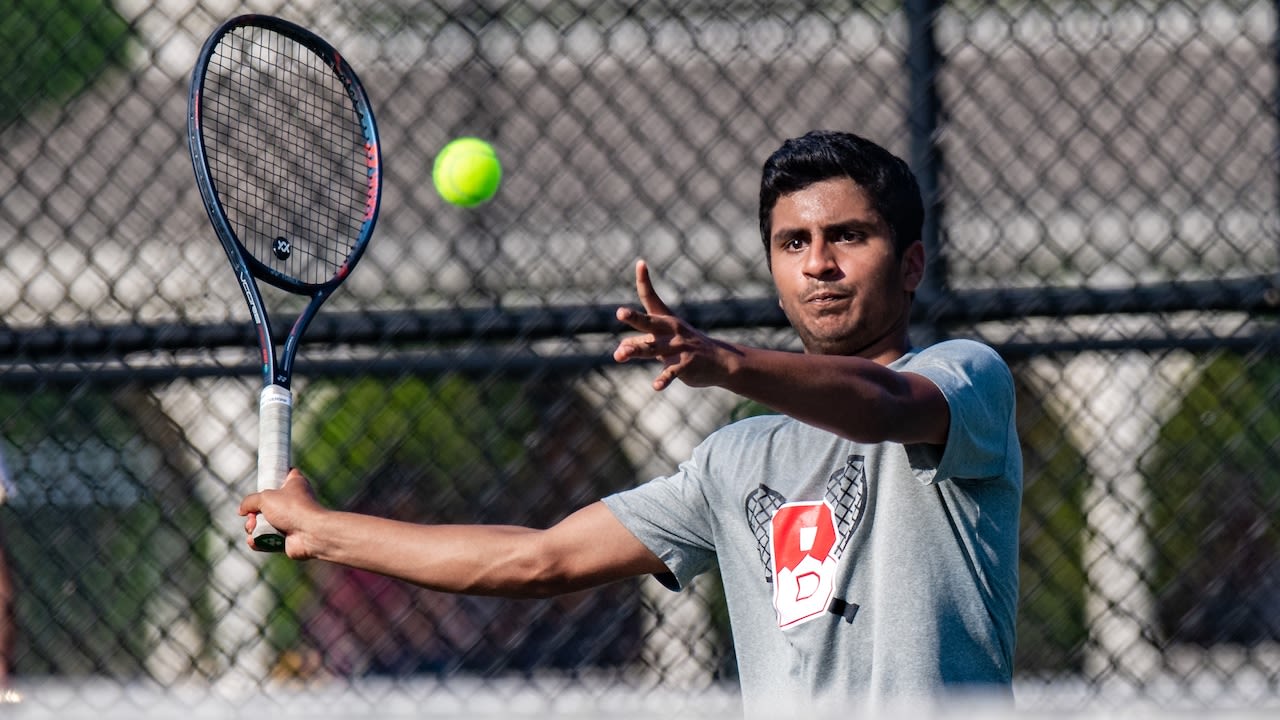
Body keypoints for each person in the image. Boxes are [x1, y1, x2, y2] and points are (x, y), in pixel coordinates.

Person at [239, 130, 1022, 714]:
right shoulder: (734, 460)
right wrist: (325, 529)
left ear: (911, 264)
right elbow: (538, 562)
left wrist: (728, 364)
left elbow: (881, 407)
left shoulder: (965, 378)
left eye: (847, 236)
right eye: (794, 243)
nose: (818, 263)